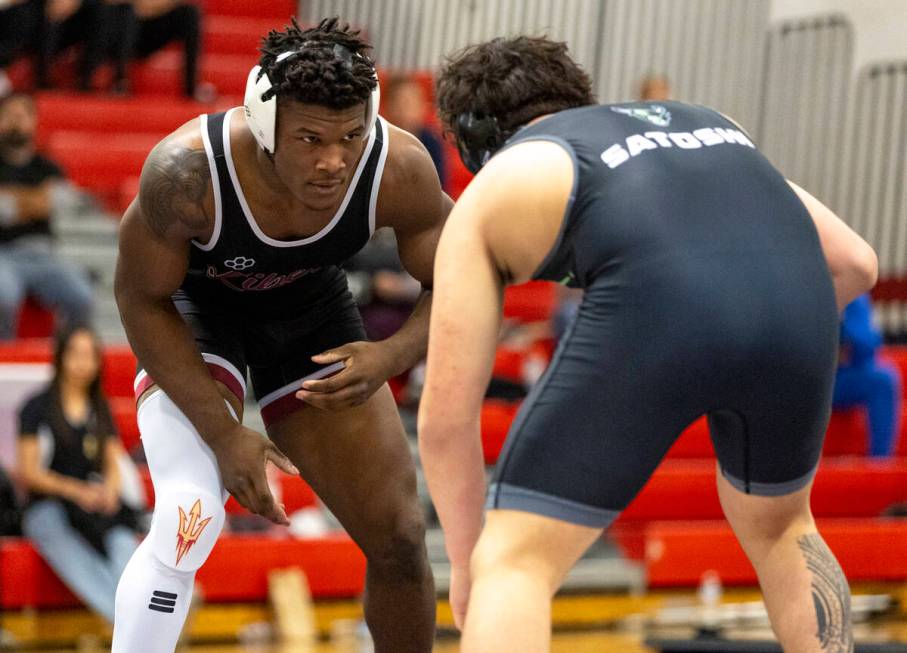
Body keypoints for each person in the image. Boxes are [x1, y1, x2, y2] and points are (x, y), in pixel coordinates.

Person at [419, 35, 877, 653]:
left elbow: (447, 417)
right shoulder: (713, 127)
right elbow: (856, 263)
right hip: (795, 307)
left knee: (517, 561)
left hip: (655, 313)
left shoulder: (505, 178)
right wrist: (753, 331)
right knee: (784, 529)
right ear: (583, 98)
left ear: (474, 140)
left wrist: (473, 560)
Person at [112, 18, 449, 653]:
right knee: (191, 514)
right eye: (310, 139)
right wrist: (221, 433)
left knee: (401, 540)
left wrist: (394, 352)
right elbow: (139, 296)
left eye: (351, 135)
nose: (333, 160)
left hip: (309, 314)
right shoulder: (187, 174)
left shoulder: (395, 165)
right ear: (265, 125)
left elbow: (462, 272)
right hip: (196, 312)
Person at [17, 325, 138, 624]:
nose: (83, 363)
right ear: (60, 358)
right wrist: (76, 491)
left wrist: (110, 490)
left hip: (92, 505)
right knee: (64, 543)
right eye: (75, 354)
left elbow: (113, 461)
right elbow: (29, 472)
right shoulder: (37, 407)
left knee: (124, 542)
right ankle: (129, 625)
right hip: (49, 505)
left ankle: (143, 617)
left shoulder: (100, 408)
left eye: (90, 355)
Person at [0, 92, 94, 340]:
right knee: (2, 296)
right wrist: (36, 199)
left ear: (34, 121)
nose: (16, 121)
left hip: (43, 253)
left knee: (81, 296)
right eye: (10, 115)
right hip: (3, 253)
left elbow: (61, 201)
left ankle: (67, 358)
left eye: (23, 115)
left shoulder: (49, 166)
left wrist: (14, 200)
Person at [834, 293, 900, 456]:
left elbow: (868, 343)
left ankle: (879, 464)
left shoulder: (853, 292)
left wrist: (844, 335)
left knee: (883, 380)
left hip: (840, 379)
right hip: (802, 378)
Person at [106, 0, 202, 98]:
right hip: (116, 30)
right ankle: (119, 83)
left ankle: (191, 89)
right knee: (127, 11)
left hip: (150, 27)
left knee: (190, 12)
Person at [383, 74, 447, 188]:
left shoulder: (431, 141)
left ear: (422, 107)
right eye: (400, 103)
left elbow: (440, 185)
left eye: (411, 102)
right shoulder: (380, 141)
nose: (404, 110)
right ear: (388, 106)